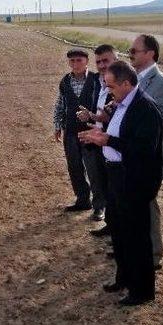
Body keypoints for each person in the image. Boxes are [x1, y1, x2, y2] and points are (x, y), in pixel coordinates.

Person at [78, 61, 163, 306]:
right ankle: (124, 277)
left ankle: (142, 290)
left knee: (136, 236)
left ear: (127, 83)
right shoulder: (121, 104)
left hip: (134, 181)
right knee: (119, 231)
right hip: (116, 176)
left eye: (112, 86)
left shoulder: (145, 108)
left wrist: (108, 141)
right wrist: (98, 139)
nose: (108, 90)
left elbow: (142, 150)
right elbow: (117, 135)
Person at [128, 34, 163, 270]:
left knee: (148, 203)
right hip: (131, 151)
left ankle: (154, 253)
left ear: (150, 54)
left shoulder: (162, 82)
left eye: (134, 50)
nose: (130, 54)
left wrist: (138, 99)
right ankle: (136, 247)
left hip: (150, 155)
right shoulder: (133, 78)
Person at [53, 48, 102, 217]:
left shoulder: (97, 80)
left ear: (86, 61)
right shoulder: (65, 81)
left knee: (94, 169)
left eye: (79, 60)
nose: (75, 64)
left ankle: (99, 206)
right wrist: (57, 125)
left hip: (91, 131)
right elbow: (60, 104)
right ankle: (82, 200)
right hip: (71, 131)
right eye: (72, 61)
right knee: (74, 167)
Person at [75, 44, 118, 229]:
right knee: (100, 180)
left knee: (115, 188)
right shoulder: (99, 83)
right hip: (99, 140)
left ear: (115, 60)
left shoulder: (122, 83)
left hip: (116, 145)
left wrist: (100, 119)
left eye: (105, 61)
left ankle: (115, 227)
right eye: (98, 61)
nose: (101, 65)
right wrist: (91, 117)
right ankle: (110, 224)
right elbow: (102, 113)